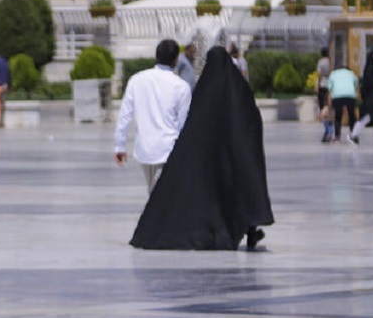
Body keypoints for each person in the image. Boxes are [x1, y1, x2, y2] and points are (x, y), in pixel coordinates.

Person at [130, 46, 274, 250]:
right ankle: (250, 229)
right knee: (243, 188)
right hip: (238, 155)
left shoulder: (204, 93)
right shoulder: (239, 91)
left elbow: (194, 124)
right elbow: (252, 121)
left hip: (211, 157)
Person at [114, 39, 192, 194]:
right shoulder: (181, 86)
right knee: (162, 198)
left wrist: (120, 146)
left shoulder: (137, 80)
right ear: (176, 59)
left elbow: (125, 115)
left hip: (144, 150)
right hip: (168, 150)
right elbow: (183, 124)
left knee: (154, 194)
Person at [349, 50, 373, 145]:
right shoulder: (369, 69)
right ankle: (353, 135)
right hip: (371, 100)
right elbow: (370, 83)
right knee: (366, 118)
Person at [326, 61, 358, 143]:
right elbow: (356, 85)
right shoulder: (351, 73)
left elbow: (329, 90)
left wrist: (329, 105)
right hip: (350, 95)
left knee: (338, 116)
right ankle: (353, 135)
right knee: (352, 116)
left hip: (337, 95)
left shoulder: (333, 74)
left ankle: (337, 137)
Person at [316, 47, 332, 143]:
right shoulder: (331, 61)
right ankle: (331, 130)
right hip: (330, 85)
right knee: (329, 109)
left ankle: (327, 131)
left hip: (322, 85)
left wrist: (317, 85)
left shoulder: (321, 62)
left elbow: (319, 74)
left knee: (322, 108)